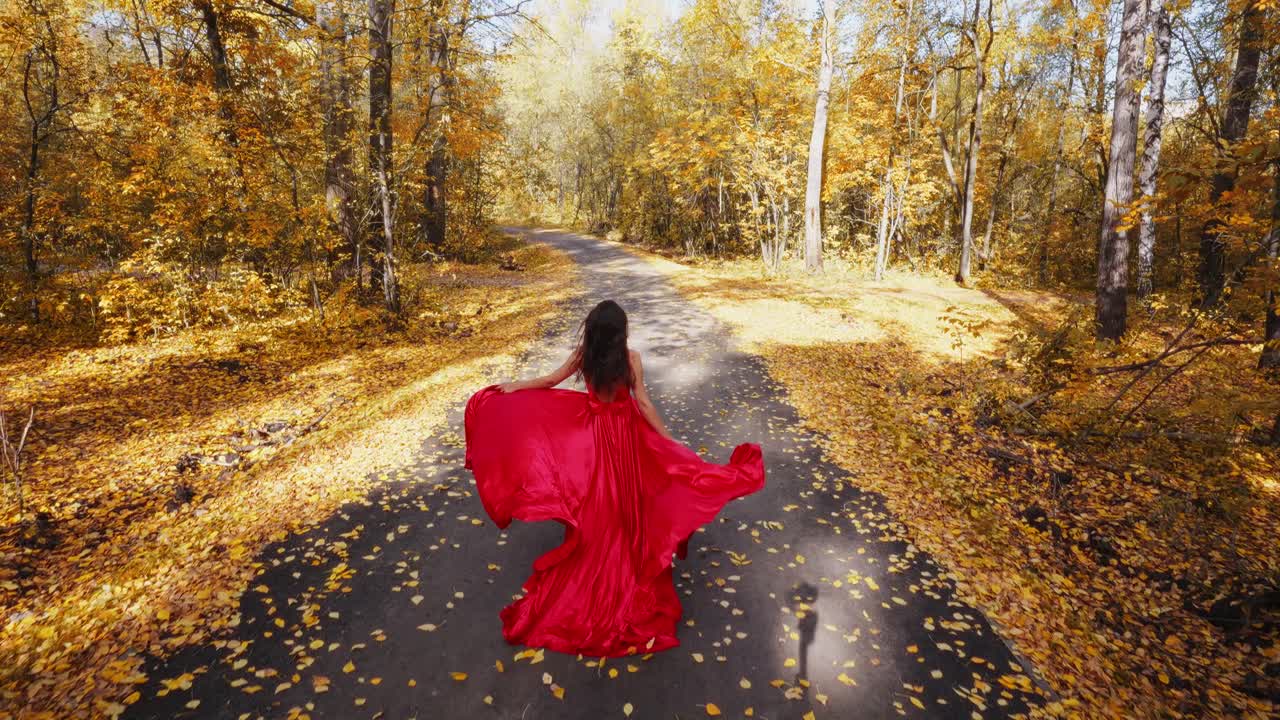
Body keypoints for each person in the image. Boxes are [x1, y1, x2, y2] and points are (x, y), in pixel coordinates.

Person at [464, 300, 765, 657]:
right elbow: (644, 404)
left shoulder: (584, 355)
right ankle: (629, 558)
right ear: (621, 332)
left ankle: (602, 554)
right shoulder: (630, 358)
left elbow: (548, 381)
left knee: (597, 498)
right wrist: (669, 441)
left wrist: (515, 386)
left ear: (592, 330)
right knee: (630, 497)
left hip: (595, 434)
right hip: (625, 435)